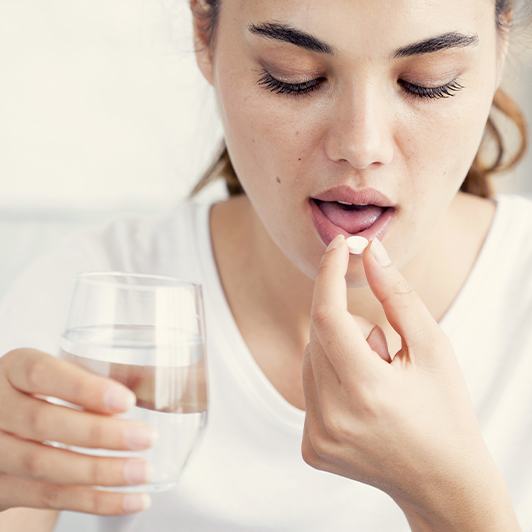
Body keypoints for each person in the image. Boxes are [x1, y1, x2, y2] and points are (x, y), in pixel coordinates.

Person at [0, 0, 531, 530]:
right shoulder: (84, 306)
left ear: (501, 44)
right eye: (293, 77)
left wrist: (451, 497)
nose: (360, 146)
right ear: (205, 36)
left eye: (426, 81)